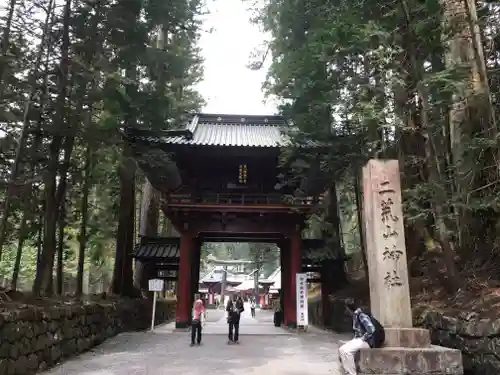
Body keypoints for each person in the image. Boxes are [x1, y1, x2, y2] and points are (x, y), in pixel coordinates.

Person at [338, 301, 385, 375]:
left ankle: (352, 373)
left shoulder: (361, 315)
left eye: (346, 308)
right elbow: (358, 332)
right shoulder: (355, 315)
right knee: (341, 349)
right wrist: (353, 341)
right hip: (361, 339)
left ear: (349, 308)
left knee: (347, 352)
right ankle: (347, 372)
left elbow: (371, 329)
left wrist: (362, 338)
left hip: (369, 341)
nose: (346, 311)